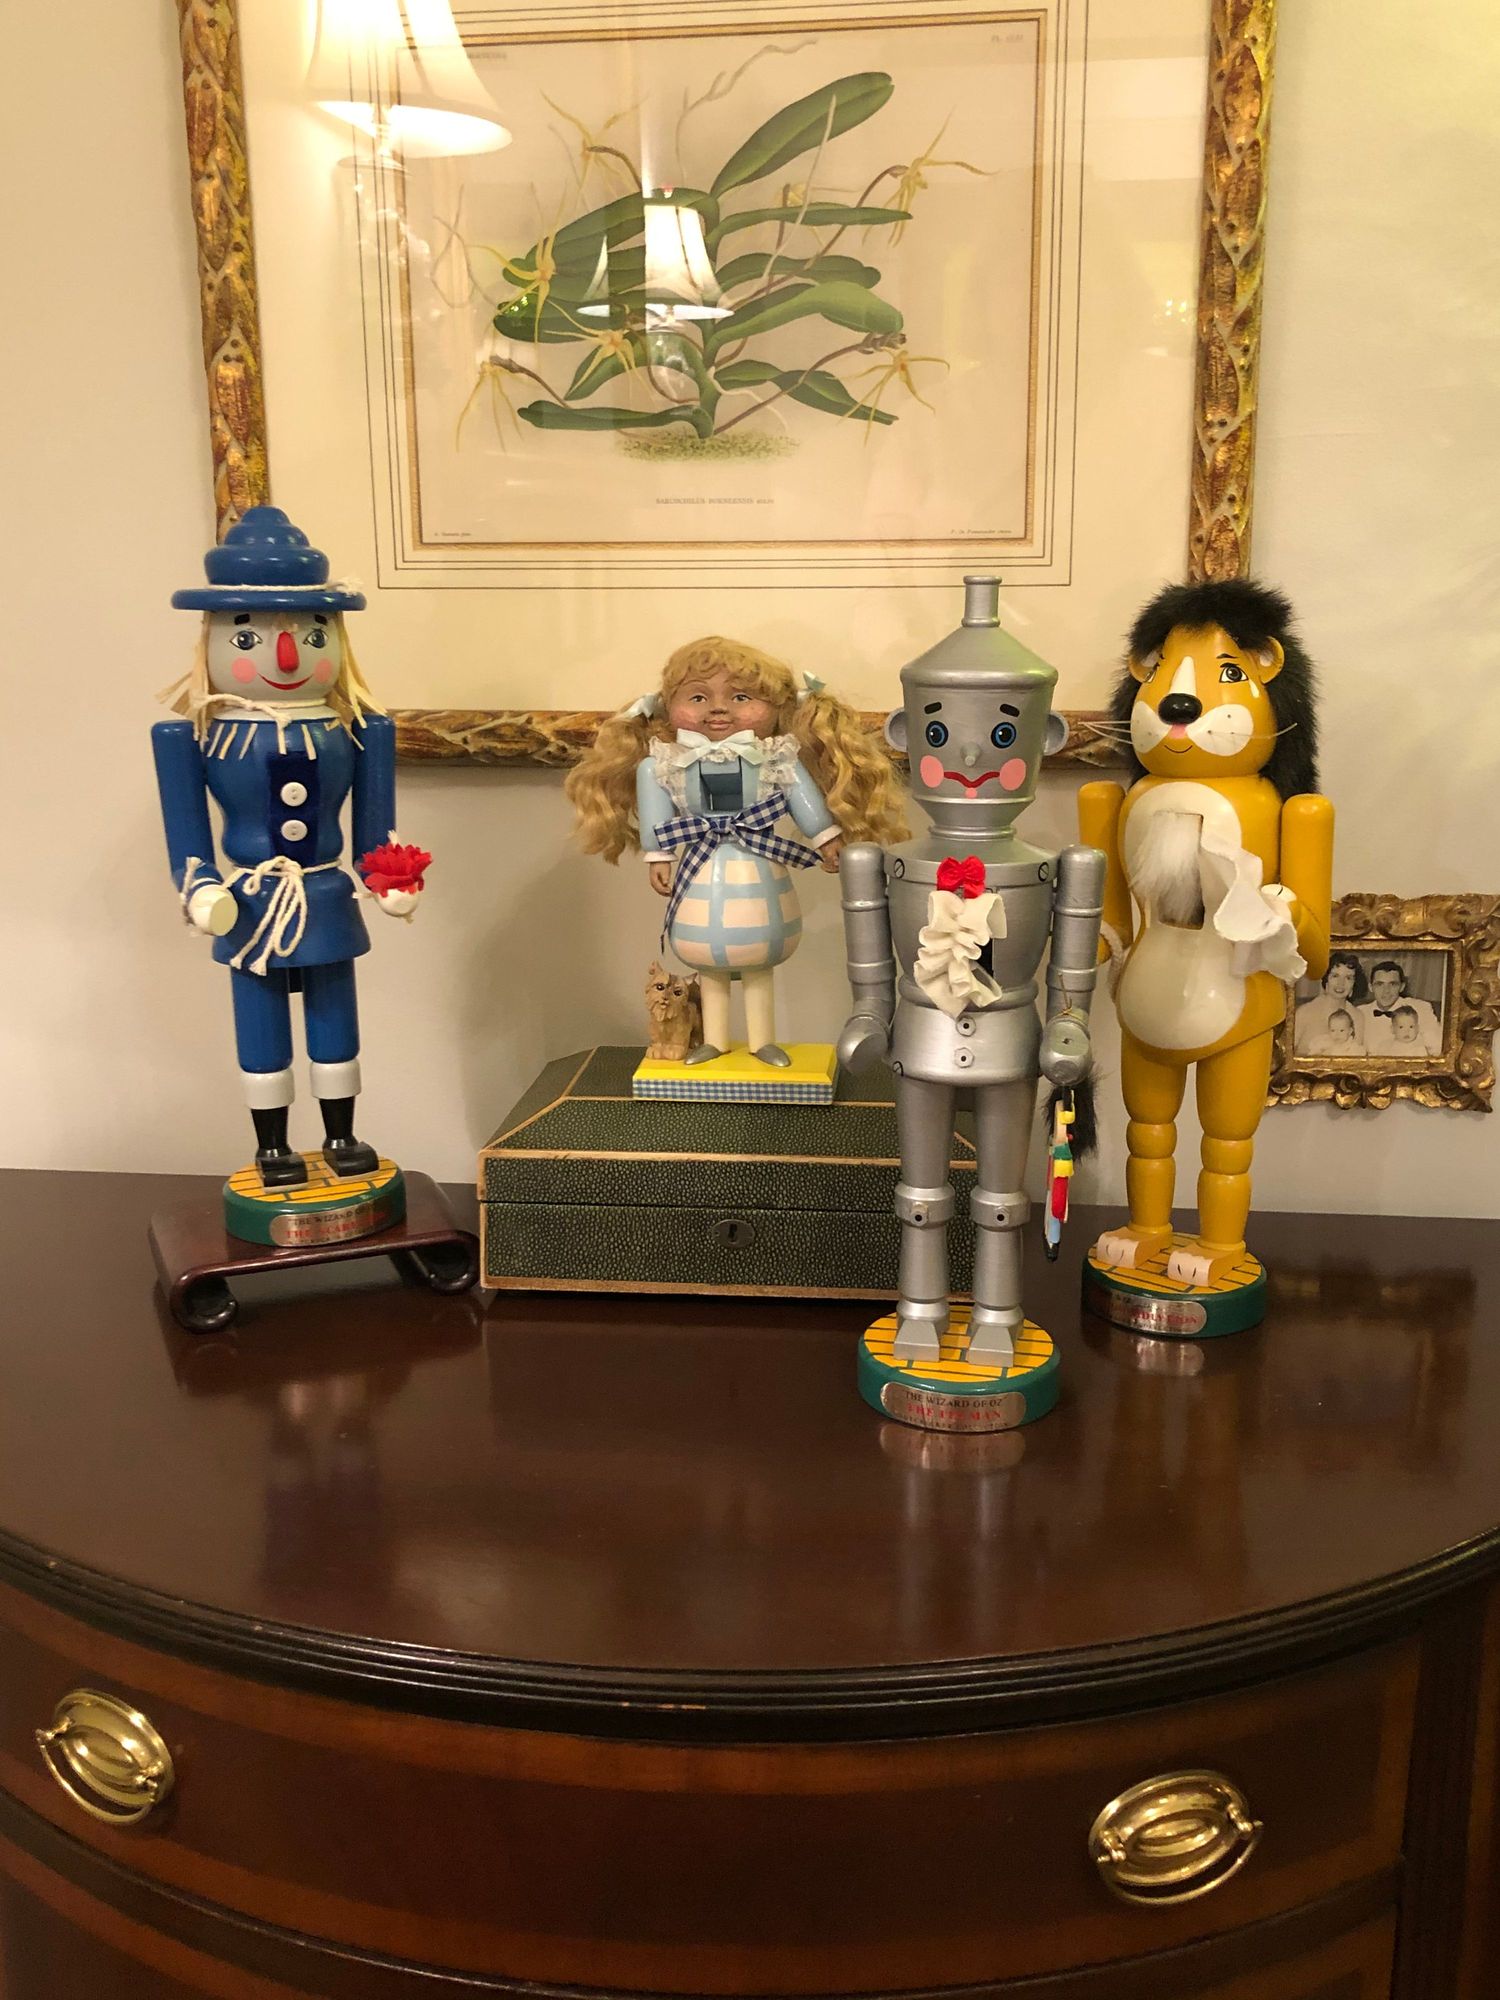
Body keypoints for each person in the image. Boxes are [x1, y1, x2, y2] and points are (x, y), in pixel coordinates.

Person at [567, 637, 907, 1065]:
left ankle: (763, 1041)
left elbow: (804, 801)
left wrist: (826, 838)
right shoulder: (664, 764)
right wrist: (658, 855)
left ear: (778, 708)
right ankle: (715, 1041)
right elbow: (657, 815)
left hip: (758, 868)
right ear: (667, 706)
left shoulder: (777, 759)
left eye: (741, 697)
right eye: (697, 697)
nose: (718, 709)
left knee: (759, 959)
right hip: (701, 872)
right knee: (708, 961)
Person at [1361, 960, 1441, 1055]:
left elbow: (1437, 1048)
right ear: (1370, 987)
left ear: (1402, 987)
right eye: (1380, 984)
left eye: (1392, 984)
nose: (1386, 991)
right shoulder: (1360, 1012)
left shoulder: (1421, 1008)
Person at [1294, 951, 1365, 1053]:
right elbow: (1287, 1054)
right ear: (1326, 980)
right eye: (1335, 976)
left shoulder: (1357, 1016)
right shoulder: (1304, 1012)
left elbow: (1356, 1058)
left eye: (1348, 978)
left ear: (1354, 984)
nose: (1341, 983)